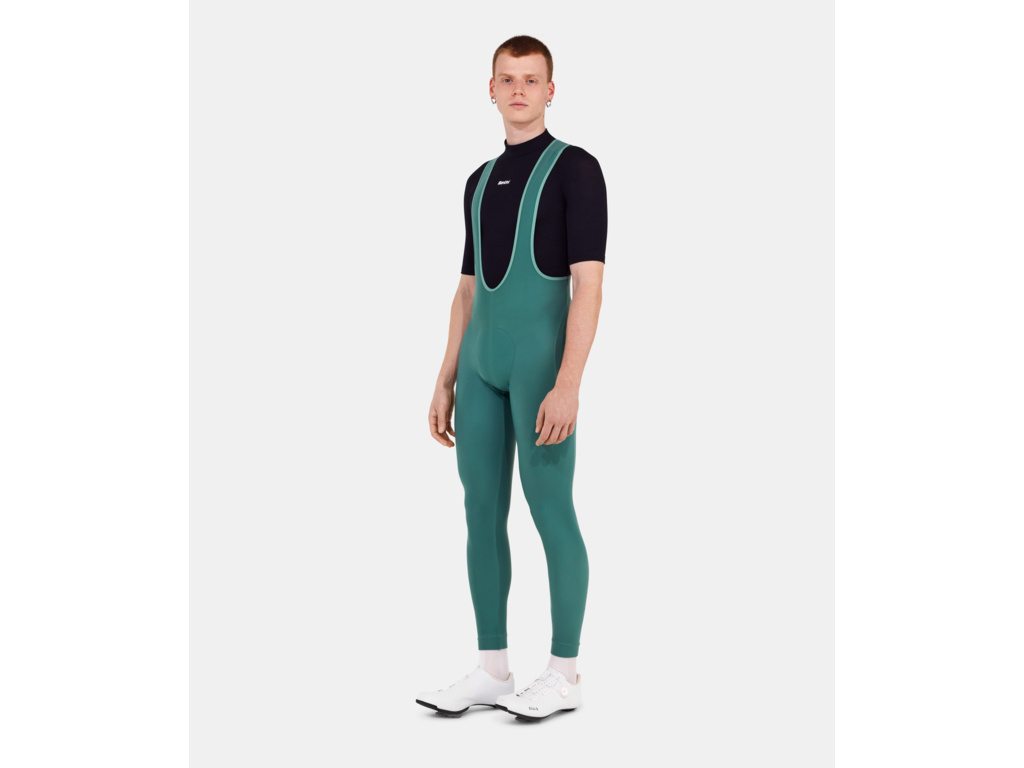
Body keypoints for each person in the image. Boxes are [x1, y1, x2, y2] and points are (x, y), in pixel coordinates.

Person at [416, 35, 607, 722]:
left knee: (551, 508)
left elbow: (589, 286)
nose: (518, 89)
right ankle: (492, 669)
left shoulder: (577, 170)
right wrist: (445, 376)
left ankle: (565, 674)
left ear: (551, 90)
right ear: (490, 89)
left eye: (531, 79)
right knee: (480, 511)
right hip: (480, 365)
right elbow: (467, 289)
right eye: (507, 79)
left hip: (539, 368)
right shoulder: (477, 180)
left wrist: (569, 383)